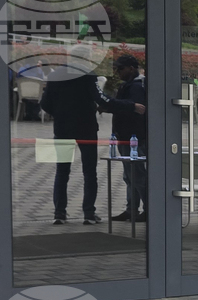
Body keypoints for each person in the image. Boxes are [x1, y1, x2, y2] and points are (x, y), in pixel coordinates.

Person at [40, 46, 103, 224]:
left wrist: (60, 113)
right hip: (86, 128)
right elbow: (99, 99)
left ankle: (59, 213)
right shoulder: (88, 75)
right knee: (90, 172)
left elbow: (45, 104)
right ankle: (89, 214)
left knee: (62, 172)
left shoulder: (54, 75)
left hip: (62, 128)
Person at [97, 55, 148, 222]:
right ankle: (131, 209)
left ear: (131, 68)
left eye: (120, 68)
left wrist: (113, 106)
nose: (117, 72)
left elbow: (137, 110)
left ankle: (148, 209)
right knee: (130, 176)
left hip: (134, 137)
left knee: (137, 175)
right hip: (127, 136)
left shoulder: (137, 86)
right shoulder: (130, 85)